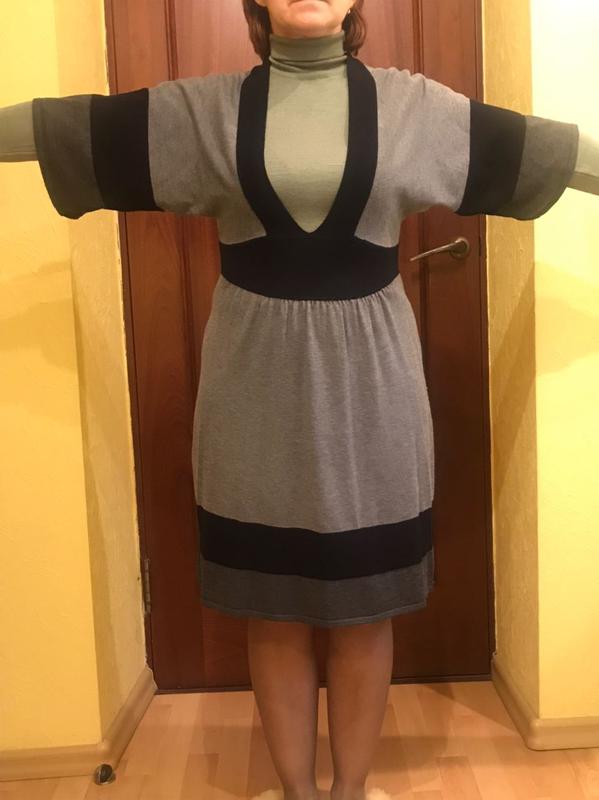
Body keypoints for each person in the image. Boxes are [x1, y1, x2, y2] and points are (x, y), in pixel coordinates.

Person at [1, 2, 598, 800]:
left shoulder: (413, 109)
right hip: (252, 391)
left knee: (364, 609)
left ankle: (347, 792)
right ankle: (296, 792)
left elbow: (544, 152)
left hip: (372, 391)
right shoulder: (207, 113)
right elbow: (69, 131)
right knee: (273, 609)